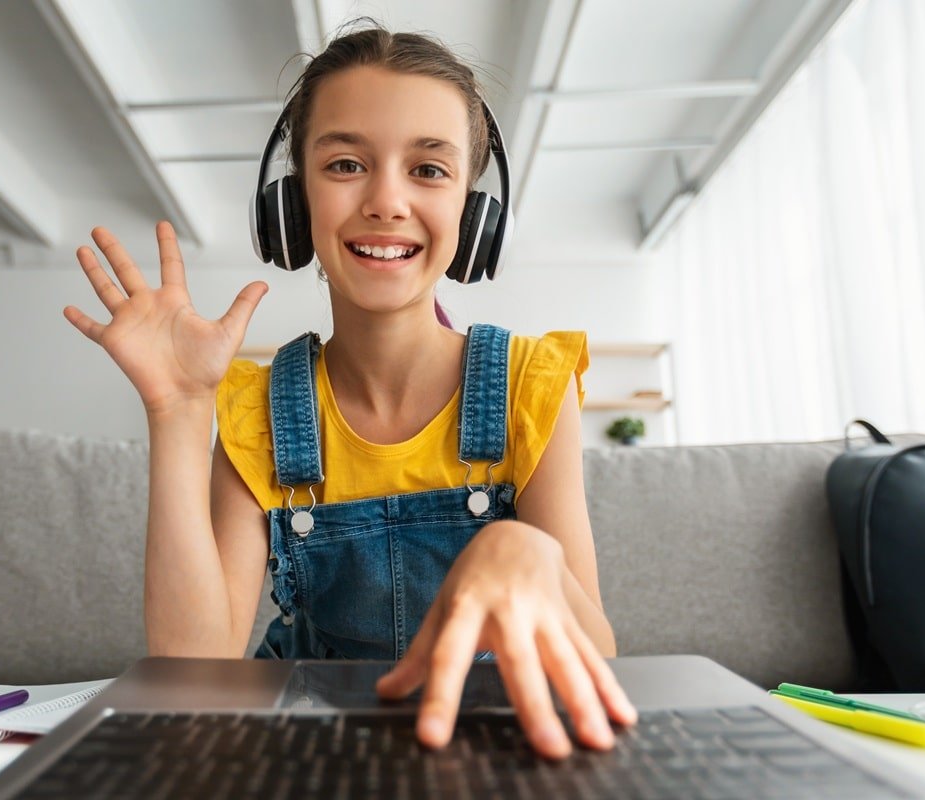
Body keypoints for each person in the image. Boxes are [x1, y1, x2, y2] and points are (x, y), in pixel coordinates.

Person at [63, 25, 637, 760]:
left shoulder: (533, 383)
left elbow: (600, 664)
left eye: (429, 169)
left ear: (476, 210)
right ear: (293, 203)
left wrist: (527, 552)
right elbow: (193, 678)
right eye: (344, 163)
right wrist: (176, 413)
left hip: (488, 754)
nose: (387, 201)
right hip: (315, 754)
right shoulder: (257, 411)